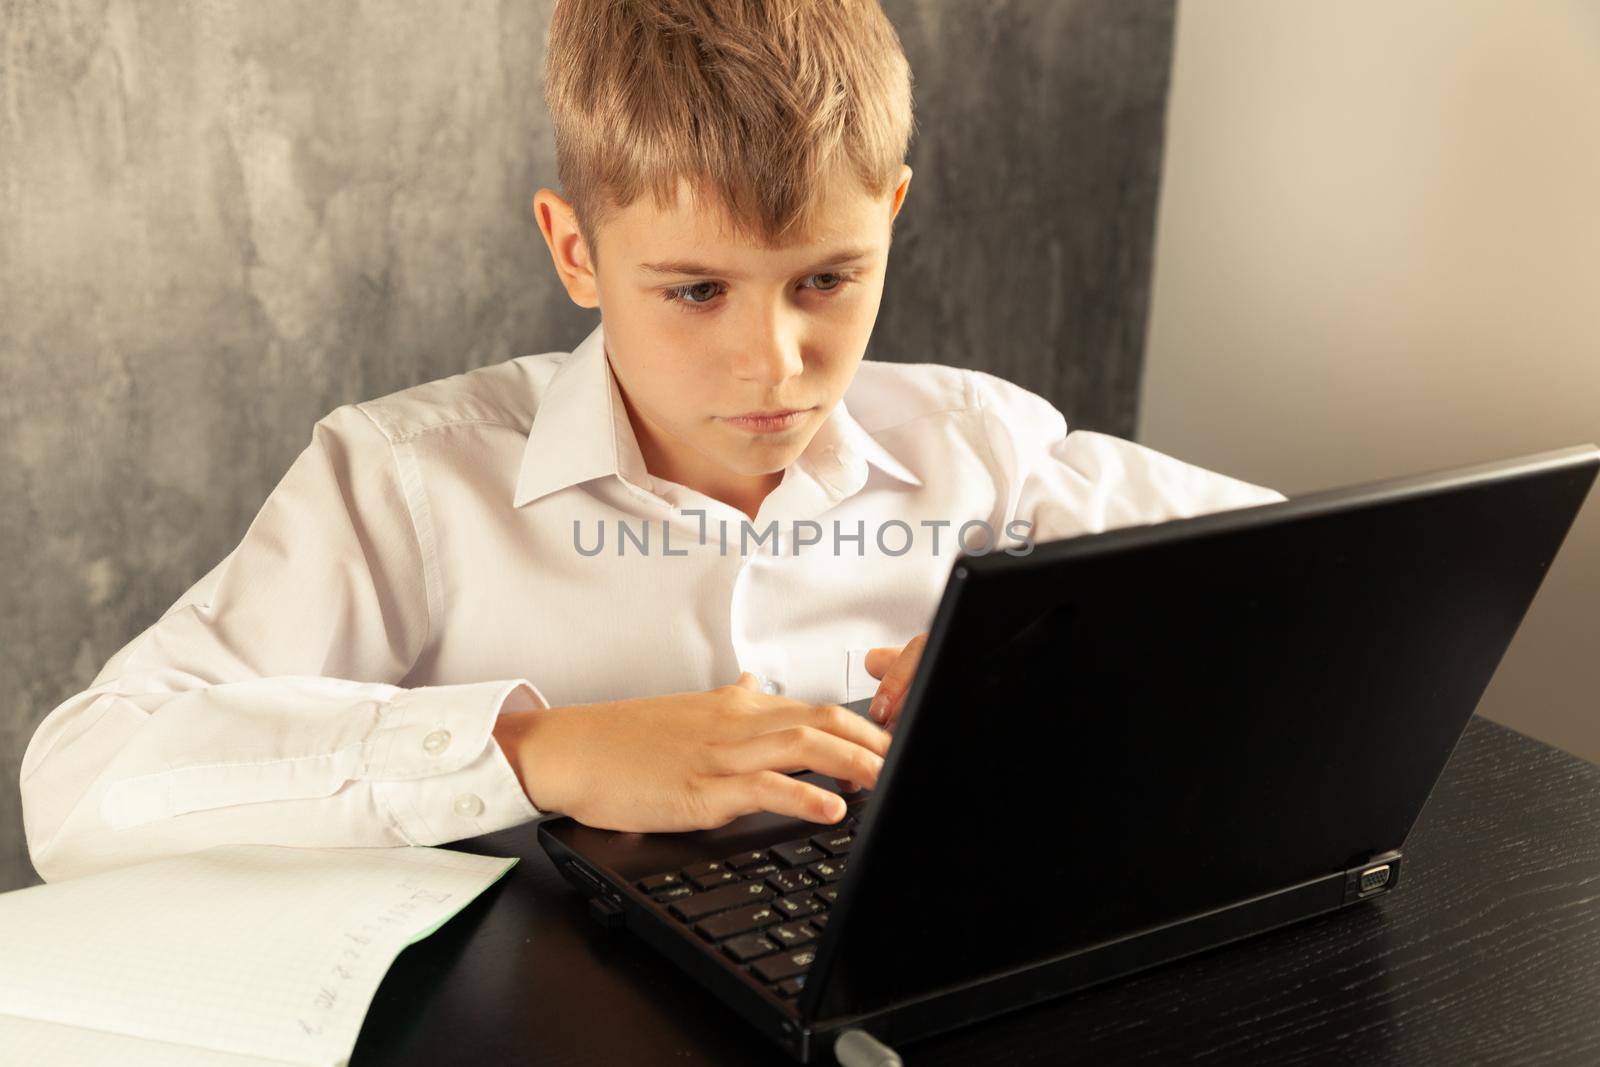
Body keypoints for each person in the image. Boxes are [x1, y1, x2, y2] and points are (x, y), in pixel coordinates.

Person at [18, 0, 1286, 884]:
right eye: (695, 291)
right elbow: (76, 787)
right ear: (576, 249)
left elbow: (1310, 594)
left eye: (827, 279)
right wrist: (539, 750)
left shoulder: (985, 448)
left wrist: (1052, 681)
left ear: (891, 214)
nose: (773, 364)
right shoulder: (403, 481)